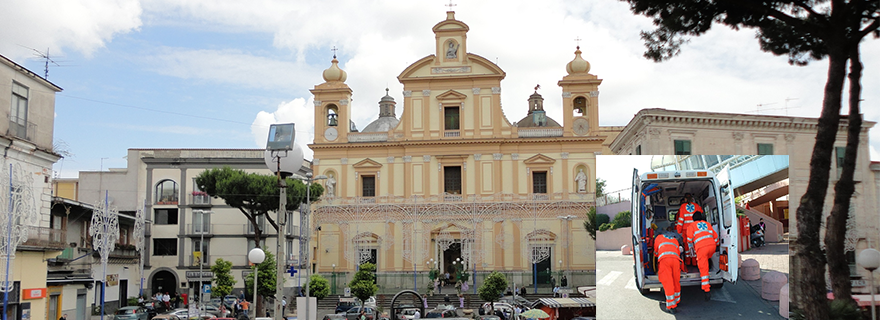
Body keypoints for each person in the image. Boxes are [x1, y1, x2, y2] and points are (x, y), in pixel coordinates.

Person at [686, 211, 719, 300]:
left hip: (702, 248)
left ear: (693, 219)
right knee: (706, 259)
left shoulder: (691, 226)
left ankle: (706, 290)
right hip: (712, 246)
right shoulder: (707, 224)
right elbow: (716, 237)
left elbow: (689, 239)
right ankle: (708, 262)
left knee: (703, 270)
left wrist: (691, 247)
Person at [654, 228, 682, 314]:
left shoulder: (658, 238)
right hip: (676, 260)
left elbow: (655, 252)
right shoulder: (674, 239)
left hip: (665, 260)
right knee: (676, 281)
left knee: (668, 282)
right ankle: (677, 301)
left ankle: (671, 306)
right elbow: (678, 252)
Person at [676, 193, 702, 265]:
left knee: (687, 247)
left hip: (686, 229)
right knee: (695, 245)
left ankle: (688, 262)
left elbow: (681, 220)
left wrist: (679, 230)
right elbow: (701, 213)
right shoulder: (696, 206)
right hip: (696, 229)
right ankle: (695, 262)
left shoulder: (683, 206)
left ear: (685, 199)